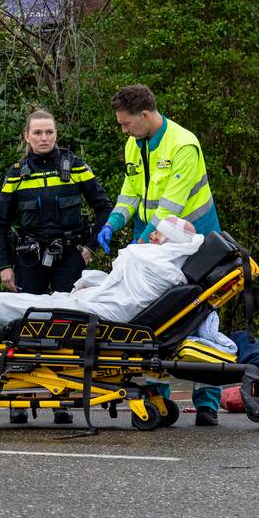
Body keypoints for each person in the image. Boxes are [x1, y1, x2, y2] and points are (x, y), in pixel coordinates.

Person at [95, 83, 223, 425]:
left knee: (199, 314)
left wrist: (143, 242)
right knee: (152, 318)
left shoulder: (184, 144)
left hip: (194, 241)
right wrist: (113, 222)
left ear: (146, 115)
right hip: (151, 237)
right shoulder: (134, 145)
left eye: (126, 123)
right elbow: (130, 193)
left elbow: (172, 205)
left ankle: (207, 403)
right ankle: (156, 397)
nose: (123, 129)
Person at [0, 110, 111, 423]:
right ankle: (19, 399)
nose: (44, 138)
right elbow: (1, 223)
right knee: (24, 327)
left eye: (49, 132)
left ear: (56, 134)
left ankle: (63, 400)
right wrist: (5, 266)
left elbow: (104, 209)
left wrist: (89, 248)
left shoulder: (76, 166)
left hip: (70, 256)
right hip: (29, 258)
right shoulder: (16, 172)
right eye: (38, 133)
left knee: (66, 327)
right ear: (26, 137)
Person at [0, 216, 200, 328]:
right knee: (21, 303)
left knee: (17, 306)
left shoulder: (159, 267)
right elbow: (124, 289)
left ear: (171, 244)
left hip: (96, 312)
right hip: (94, 304)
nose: (150, 237)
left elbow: (127, 296)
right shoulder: (162, 266)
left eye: (158, 235)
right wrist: (92, 284)